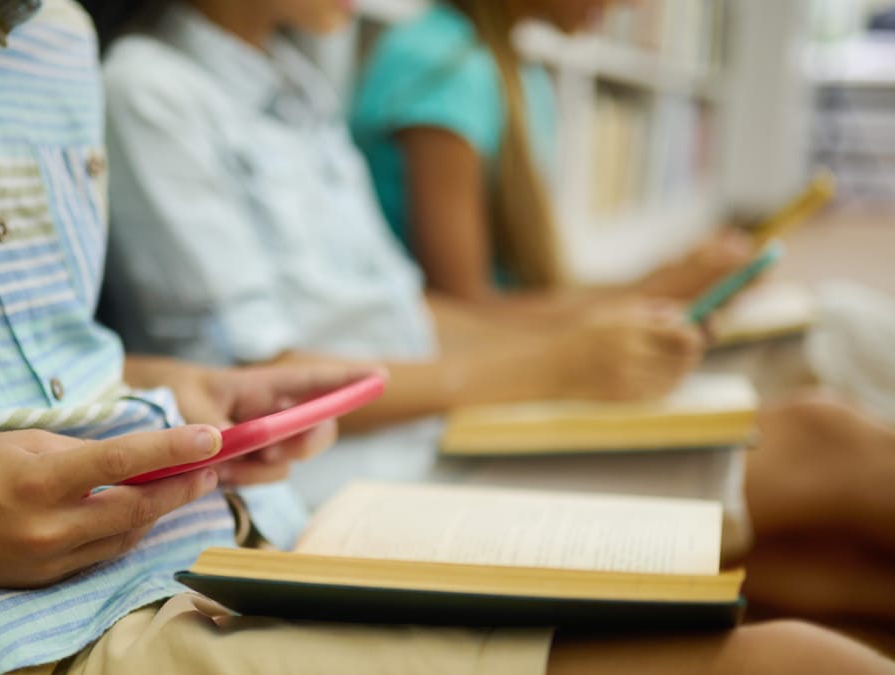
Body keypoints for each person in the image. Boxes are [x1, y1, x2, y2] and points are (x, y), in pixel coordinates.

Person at [0, 1, 893, 673]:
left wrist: (195, 387)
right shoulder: (156, 83)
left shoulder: (53, 41)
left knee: (818, 486)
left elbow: (36, 358)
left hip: (197, 532)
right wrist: (554, 355)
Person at [93, 0, 895, 639]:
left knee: (822, 557)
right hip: (360, 470)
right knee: (826, 445)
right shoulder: (151, 89)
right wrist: (551, 367)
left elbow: (412, 309)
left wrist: (594, 337)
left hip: (435, 418)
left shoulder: (297, 85)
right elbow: (261, 382)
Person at [350, 0, 754, 314]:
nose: (635, 4)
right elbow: (463, 313)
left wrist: (664, 283)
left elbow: (523, 293)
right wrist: (651, 294)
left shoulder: (516, 73)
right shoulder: (440, 66)